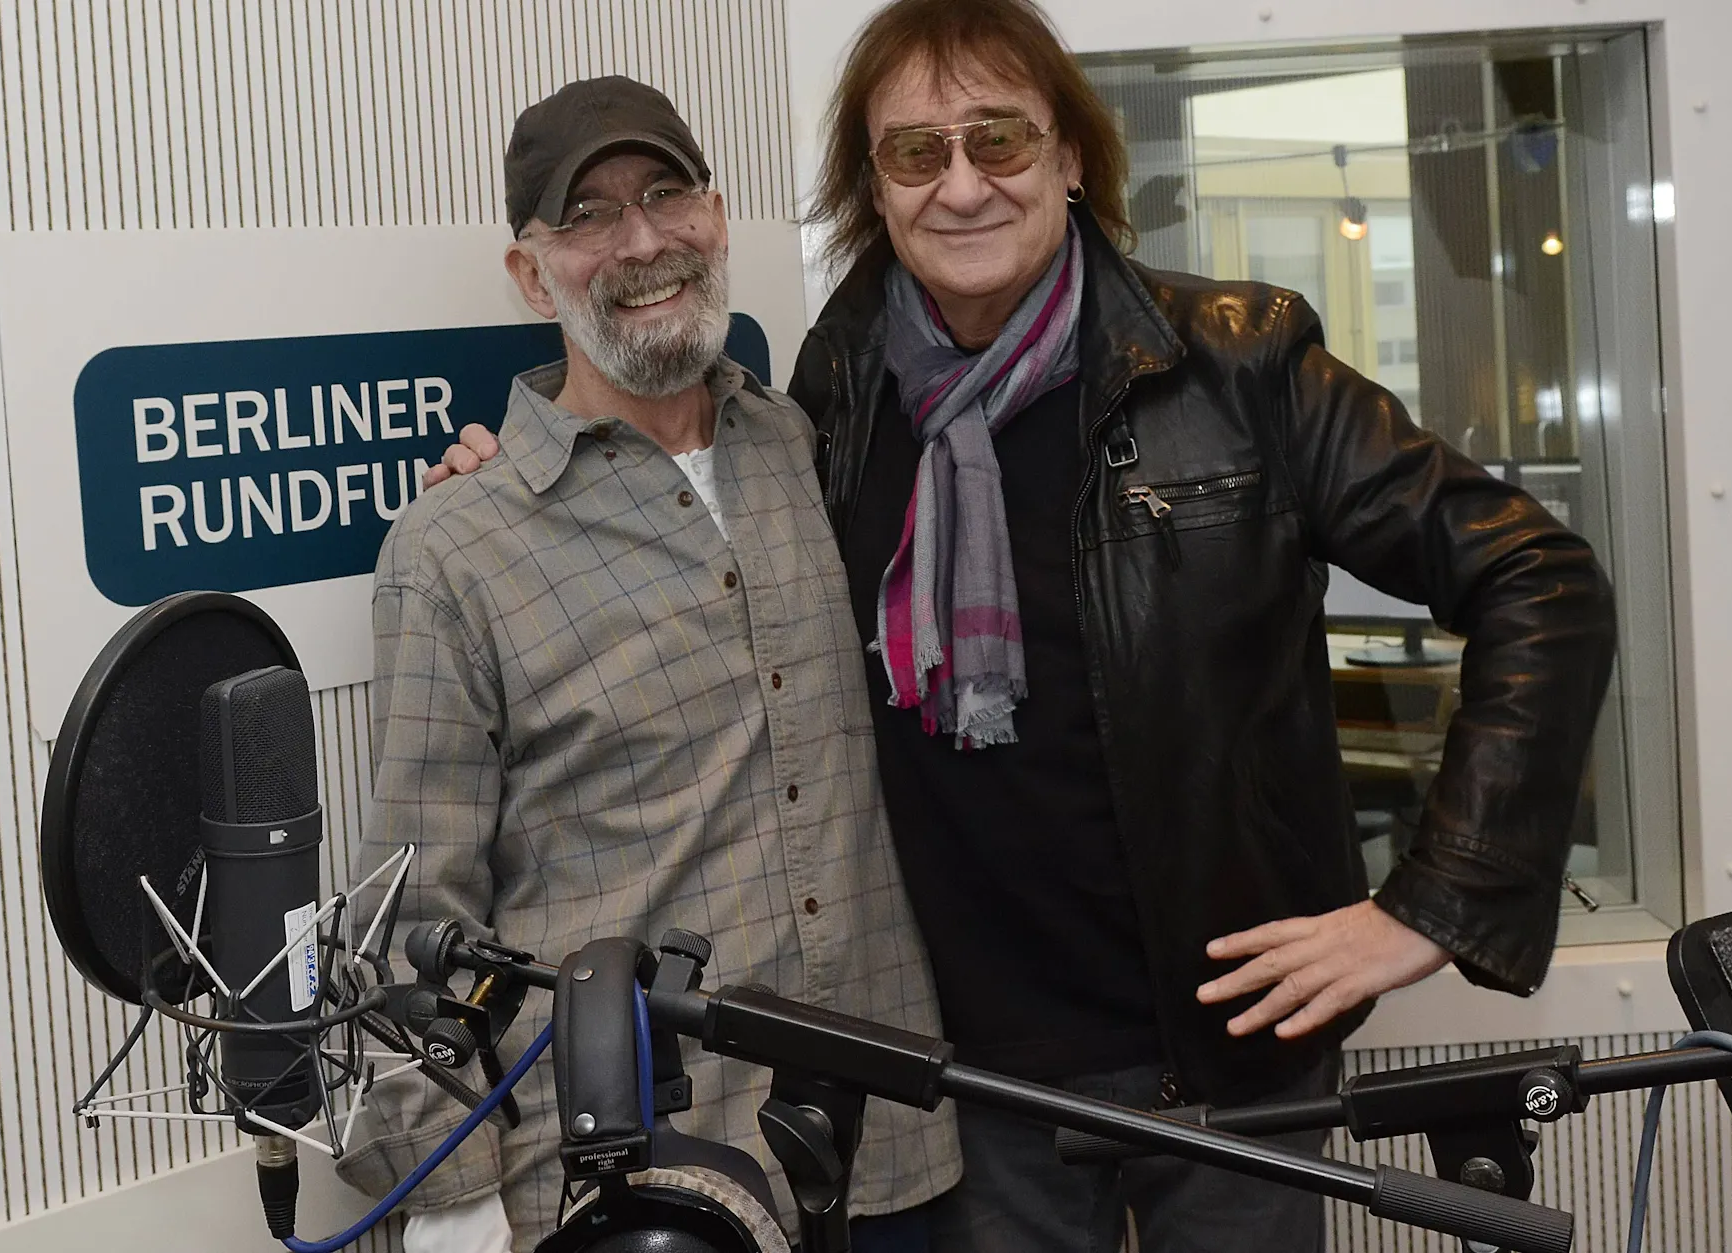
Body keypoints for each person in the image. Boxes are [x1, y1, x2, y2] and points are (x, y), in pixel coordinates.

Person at [431, 3, 1617, 1249]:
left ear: (1069, 158)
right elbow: (687, 523)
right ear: (873, 189)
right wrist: (513, 479)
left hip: (1231, 1059)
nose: (961, 186)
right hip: (963, 1085)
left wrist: (1431, 902)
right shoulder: (834, 399)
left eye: (997, 138)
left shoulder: (1239, 365)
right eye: (915, 152)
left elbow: (1536, 577)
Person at [342, 75, 958, 1253]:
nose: (640, 241)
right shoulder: (454, 548)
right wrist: (452, 1200)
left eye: (666, 194)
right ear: (532, 275)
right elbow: (416, 916)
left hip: (886, 1154)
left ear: (716, 219)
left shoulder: (809, 451)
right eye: (588, 215)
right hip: (638, 1185)